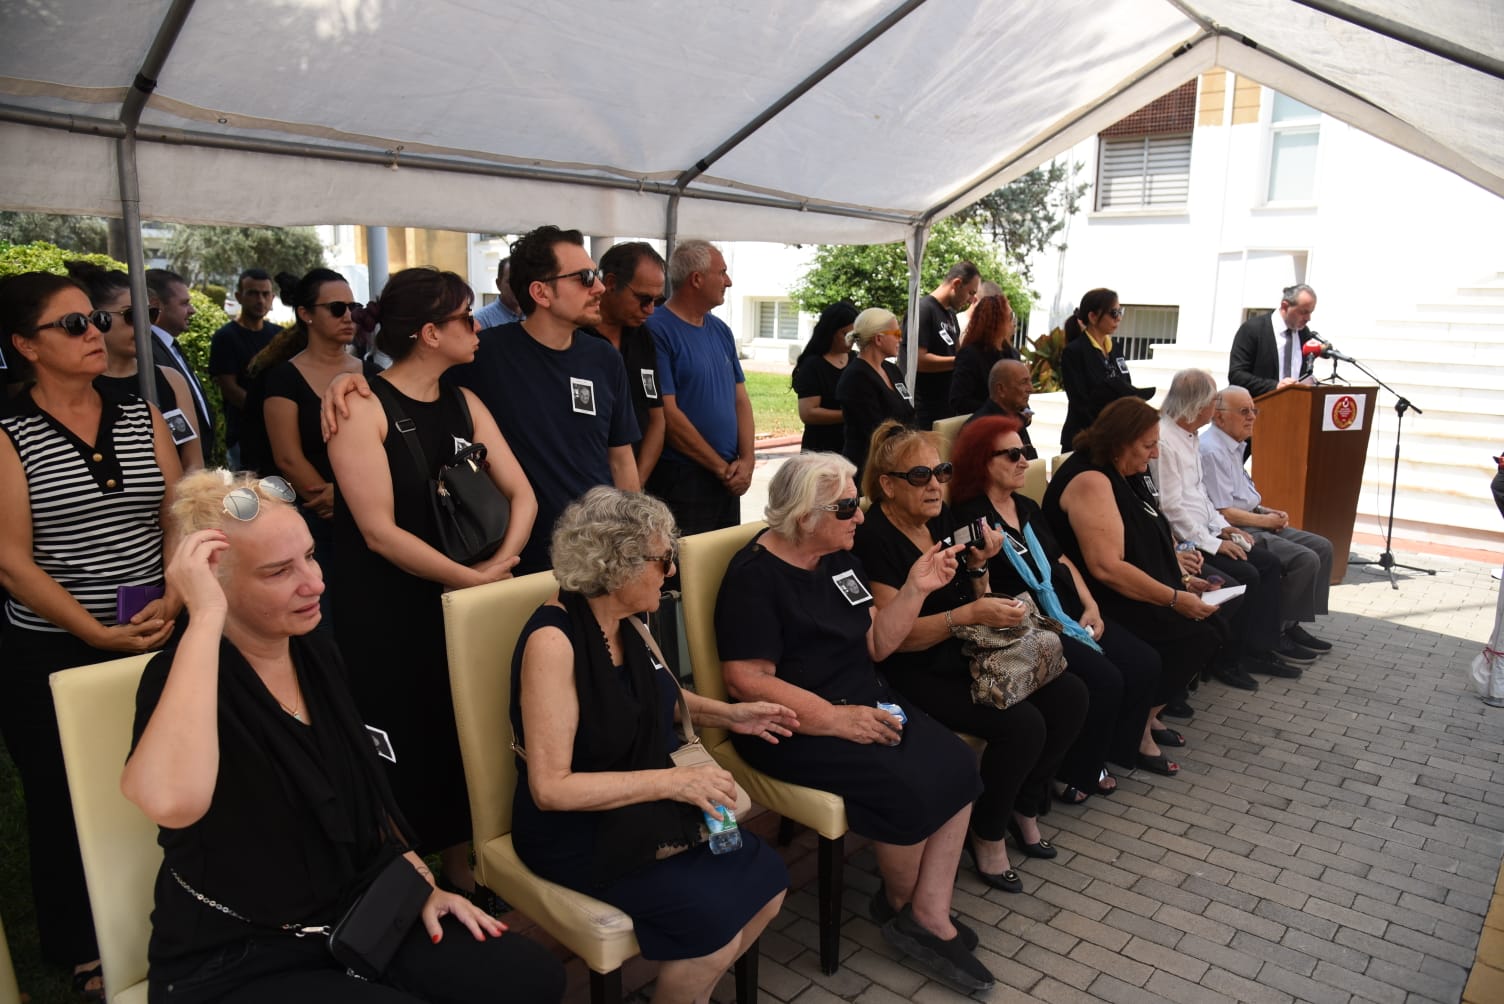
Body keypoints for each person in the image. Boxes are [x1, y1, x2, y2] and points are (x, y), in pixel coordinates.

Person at [121, 470, 564, 1004]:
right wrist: (205, 617)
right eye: (279, 571)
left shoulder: (313, 650)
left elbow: (362, 785)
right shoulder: (178, 681)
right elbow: (171, 801)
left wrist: (415, 883)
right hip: (239, 955)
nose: (314, 583)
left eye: (310, 556)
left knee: (530, 978)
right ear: (214, 581)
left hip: (357, 912)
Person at [715, 452, 996, 992]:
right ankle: (907, 907)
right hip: (791, 724)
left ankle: (925, 910)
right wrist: (833, 719)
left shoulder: (839, 560)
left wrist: (915, 589)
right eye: (846, 508)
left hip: (864, 700)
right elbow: (746, 680)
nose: (860, 517)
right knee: (906, 786)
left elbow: (876, 645)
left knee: (959, 763)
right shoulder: (755, 577)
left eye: (856, 503)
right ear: (804, 516)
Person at [511, 487, 790, 1004]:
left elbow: (656, 698)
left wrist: (732, 714)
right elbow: (550, 789)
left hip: (649, 803)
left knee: (769, 884)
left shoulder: (627, 622)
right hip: (582, 831)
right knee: (710, 926)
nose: (673, 570)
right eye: (664, 559)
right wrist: (674, 782)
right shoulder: (554, 642)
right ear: (617, 565)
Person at [0, 271, 183, 998]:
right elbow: (11, 561)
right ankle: (82, 941)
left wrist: (174, 593)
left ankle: (182, 908)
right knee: (64, 793)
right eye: (73, 325)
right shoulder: (9, 433)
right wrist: (93, 633)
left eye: (96, 321)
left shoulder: (141, 411)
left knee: (167, 774)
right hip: (52, 647)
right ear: (25, 345)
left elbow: (176, 510)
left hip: (155, 625)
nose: (96, 334)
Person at [327, 267, 536, 895]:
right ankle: (407, 879)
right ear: (429, 333)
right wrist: (473, 580)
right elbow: (377, 532)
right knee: (404, 735)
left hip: (464, 596)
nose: (478, 328)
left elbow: (523, 494)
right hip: (389, 609)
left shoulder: (466, 401)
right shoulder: (361, 406)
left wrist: (497, 569)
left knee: (459, 728)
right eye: (466, 318)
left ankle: (459, 867)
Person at [852, 422, 1088, 893]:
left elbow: (970, 590)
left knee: (1072, 695)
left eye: (940, 472)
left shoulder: (938, 520)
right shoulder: (874, 538)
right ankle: (987, 832)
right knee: (1022, 726)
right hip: (914, 668)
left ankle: (1024, 804)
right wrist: (967, 614)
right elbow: (895, 639)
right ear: (888, 485)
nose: (935, 486)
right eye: (920, 476)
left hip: (965, 651)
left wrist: (979, 567)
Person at [322, 226, 638, 574]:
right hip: (508, 560)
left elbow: (620, 461)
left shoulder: (604, 358)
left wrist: (633, 540)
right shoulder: (483, 356)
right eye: (585, 277)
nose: (600, 287)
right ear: (541, 292)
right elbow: (410, 377)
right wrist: (346, 379)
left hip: (591, 553)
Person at [949, 416, 1162, 803]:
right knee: (1105, 678)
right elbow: (978, 592)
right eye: (1012, 454)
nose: (1023, 461)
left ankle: (1105, 752)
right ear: (982, 461)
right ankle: (1072, 771)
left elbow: (1061, 559)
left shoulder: (1026, 506)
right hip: (1028, 624)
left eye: (1026, 451)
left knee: (1144, 662)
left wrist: (1091, 605)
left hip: (1065, 610)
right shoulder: (970, 519)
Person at [1042, 397, 1227, 777]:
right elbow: (1107, 568)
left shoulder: (1127, 471)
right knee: (1194, 636)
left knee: (1212, 626)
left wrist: (1182, 577)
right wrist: (1174, 598)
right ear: (1120, 442)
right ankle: (1137, 731)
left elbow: (1149, 533)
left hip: (1129, 587)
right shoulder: (1091, 479)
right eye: (1148, 445)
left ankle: (1146, 718)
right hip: (1096, 596)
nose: (1155, 453)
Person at [1151, 369, 1308, 689]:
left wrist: (1225, 530)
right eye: (1212, 401)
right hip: (1185, 539)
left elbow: (1201, 497)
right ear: (1196, 405)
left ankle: (1258, 648)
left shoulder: (1189, 435)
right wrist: (1213, 544)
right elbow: (1171, 507)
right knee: (1247, 574)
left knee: (1267, 562)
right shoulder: (1166, 439)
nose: (1215, 408)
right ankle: (1226, 659)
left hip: (1204, 530)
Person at [263, 268, 378, 613]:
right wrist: (331, 500)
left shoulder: (372, 373)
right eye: (337, 308)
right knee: (321, 613)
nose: (349, 317)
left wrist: (353, 500)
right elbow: (288, 458)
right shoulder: (283, 379)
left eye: (353, 307)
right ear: (305, 314)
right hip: (312, 519)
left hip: (369, 515)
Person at [1201, 384, 1335, 653]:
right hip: (1234, 529)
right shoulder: (1212, 450)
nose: (1252, 417)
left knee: (1323, 547)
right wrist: (1267, 522)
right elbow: (1224, 512)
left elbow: (1242, 497)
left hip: (1254, 519)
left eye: (1254, 410)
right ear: (1219, 416)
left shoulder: (1233, 444)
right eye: (1244, 411)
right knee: (1306, 559)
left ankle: (1292, 622)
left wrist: (1266, 512)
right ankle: (1275, 631)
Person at [645, 240, 754, 535]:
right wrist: (721, 468)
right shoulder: (656, 329)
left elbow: (741, 400)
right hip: (685, 476)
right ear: (696, 279)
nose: (728, 281)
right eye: (722, 273)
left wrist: (747, 460)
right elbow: (667, 414)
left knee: (723, 556)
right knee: (688, 559)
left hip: (728, 474)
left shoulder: (720, 330)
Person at [70, 261, 205, 472]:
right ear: (97, 318)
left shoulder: (171, 380)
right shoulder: (77, 385)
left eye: (150, 314)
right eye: (131, 315)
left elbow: (193, 462)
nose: (144, 325)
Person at [588, 241, 668, 485]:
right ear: (611, 283)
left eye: (657, 301)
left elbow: (656, 419)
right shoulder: (576, 337)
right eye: (644, 299)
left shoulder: (642, 337)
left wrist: (635, 485)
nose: (650, 310)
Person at [1057, 288, 1153, 450]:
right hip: (1085, 437)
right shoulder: (1074, 352)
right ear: (1093, 317)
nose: (1119, 318)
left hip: (1114, 436)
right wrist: (1106, 430)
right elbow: (1080, 402)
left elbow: (1125, 386)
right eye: (1114, 313)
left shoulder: (1115, 348)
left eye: (1120, 312)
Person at [209, 269, 281, 469]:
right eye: (253, 293)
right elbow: (230, 389)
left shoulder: (280, 336)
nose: (260, 300)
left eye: (265, 294)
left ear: (272, 298)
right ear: (239, 297)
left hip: (278, 435)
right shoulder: (225, 337)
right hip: (244, 437)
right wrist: (269, 411)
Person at [836, 307, 914, 481]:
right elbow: (874, 431)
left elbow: (908, 412)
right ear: (879, 339)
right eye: (896, 333)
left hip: (897, 460)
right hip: (867, 468)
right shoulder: (855, 377)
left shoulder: (891, 369)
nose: (900, 338)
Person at [901, 261, 980, 429]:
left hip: (946, 408)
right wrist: (961, 361)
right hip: (923, 410)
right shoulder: (923, 310)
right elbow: (918, 361)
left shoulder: (950, 315)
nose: (971, 300)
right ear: (957, 284)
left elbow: (957, 353)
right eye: (970, 292)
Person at [146, 268, 216, 450]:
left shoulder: (169, 346)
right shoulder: (149, 351)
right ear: (156, 306)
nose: (192, 310)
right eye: (184, 303)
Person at [1227, 283, 1319, 397]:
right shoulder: (1253, 329)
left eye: (1310, 312)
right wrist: (1275, 386)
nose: (1308, 318)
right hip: (1259, 404)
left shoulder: (1304, 333)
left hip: (1294, 403)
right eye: (1304, 312)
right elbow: (1236, 375)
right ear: (1285, 306)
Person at [792, 300, 858, 454]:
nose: (851, 341)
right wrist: (849, 415)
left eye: (854, 335)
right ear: (830, 332)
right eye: (845, 334)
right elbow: (808, 413)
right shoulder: (813, 365)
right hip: (820, 450)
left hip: (851, 448)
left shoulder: (856, 360)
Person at [948, 293, 1020, 417]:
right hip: (983, 423)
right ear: (997, 321)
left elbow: (1020, 392)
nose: (1014, 322)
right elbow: (959, 400)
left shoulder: (1012, 354)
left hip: (1011, 423)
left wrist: (1024, 410)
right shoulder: (970, 355)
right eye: (1011, 316)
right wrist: (999, 410)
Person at [963, 358, 1036, 458]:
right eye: (1023, 382)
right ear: (1001, 389)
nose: (1031, 389)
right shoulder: (980, 430)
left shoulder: (1015, 418)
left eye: (1030, 381)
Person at [473, 255, 523, 330]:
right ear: (498, 284)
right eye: (511, 281)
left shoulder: (535, 315)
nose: (517, 286)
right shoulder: (481, 321)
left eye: (522, 281)